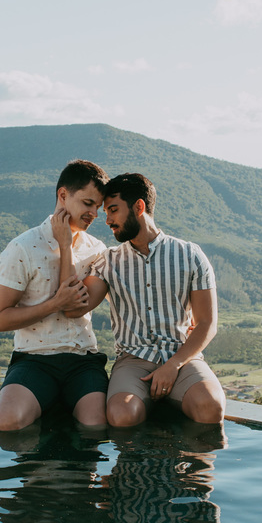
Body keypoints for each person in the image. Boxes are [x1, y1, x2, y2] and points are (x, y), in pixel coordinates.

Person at [77, 173, 227, 427]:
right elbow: (80, 305)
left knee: (211, 408)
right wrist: (63, 243)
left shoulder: (190, 255)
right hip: (132, 361)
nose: (108, 220)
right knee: (122, 416)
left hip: (183, 357)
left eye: (113, 210)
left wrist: (173, 365)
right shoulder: (108, 261)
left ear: (139, 206)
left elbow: (206, 324)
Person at [0, 160, 110, 430]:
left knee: (97, 424)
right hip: (34, 360)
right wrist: (54, 304)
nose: (94, 213)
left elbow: (78, 306)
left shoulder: (97, 250)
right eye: (88, 203)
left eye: (98, 207)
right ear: (63, 195)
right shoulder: (22, 247)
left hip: (82, 360)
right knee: (9, 421)